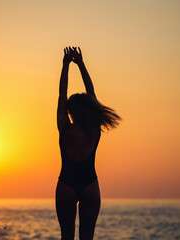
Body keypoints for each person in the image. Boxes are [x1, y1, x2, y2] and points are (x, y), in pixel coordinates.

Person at [56, 46, 121, 240]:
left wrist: (65, 65)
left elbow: (61, 95)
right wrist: (81, 64)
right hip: (89, 185)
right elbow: (91, 92)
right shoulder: (94, 129)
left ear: (70, 112)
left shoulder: (65, 128)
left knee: (66, 237)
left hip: (66, 184)